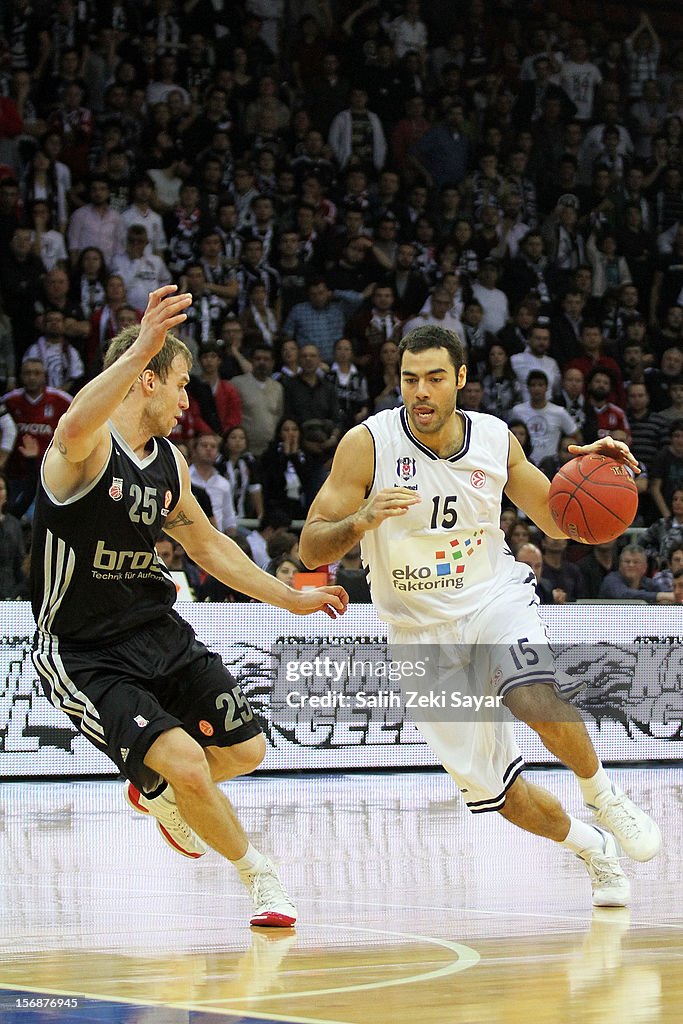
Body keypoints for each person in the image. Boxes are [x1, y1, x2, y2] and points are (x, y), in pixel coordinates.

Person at [299, 323, 661, 908]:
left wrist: (601, 474)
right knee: (503, 796)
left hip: (493, 598)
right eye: (410, 379)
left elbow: (559, 521)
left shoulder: (495, 440)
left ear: (461, 380)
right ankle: (592, 845)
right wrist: (360, 521)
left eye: (435, 378)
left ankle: (602, 795)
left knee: (530, 691)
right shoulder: (367, 445)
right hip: (419, 635)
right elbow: (312, 548)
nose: (421, 391)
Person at [30, 286, 348, 929]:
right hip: (83, 650)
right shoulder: (85, 449)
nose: (186, 401)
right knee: (185, 765)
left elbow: (210, 545)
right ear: (145, 379)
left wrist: (290, 598)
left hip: (157, 629)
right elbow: (70, 425)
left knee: (247, 751)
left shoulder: (170, 463)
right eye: (178, 385)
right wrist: (145, 339)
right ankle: (262, 879)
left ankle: (156, 796)